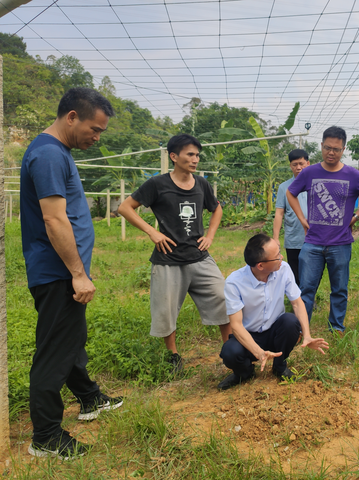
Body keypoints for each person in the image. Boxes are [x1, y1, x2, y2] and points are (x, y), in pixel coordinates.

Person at [20, 88, 123, 460]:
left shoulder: (56, 151)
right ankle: (46, 436)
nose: (97, 137)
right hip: (58, 271)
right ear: (71, 117)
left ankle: (89, 397)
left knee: (69, 340)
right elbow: (53, 218)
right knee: (55, 351)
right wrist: (78, 273)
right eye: (95, 129)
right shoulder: (48, 154)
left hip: (61, 271)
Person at [118, 134, 230, 374]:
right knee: (165, 310)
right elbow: (125, 207)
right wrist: (152, 232)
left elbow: (216, 207)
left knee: (223, 298)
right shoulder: (157, 184)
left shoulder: (202, 184)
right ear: (173, 156)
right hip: (168, 260)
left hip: (199, 257)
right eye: (190, 154)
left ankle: (230, 350)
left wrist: (210, 235)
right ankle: (173, 356)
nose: (195, 159)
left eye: (197, 155)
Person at [218, 234, 329, 390]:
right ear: (260, 266)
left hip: (275, 332)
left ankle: (279, 366)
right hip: (249, 335)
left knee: (290, 322)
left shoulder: (284, 269)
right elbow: (236, 326)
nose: (281, 258)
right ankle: (244, 373)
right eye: (277, 256)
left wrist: (307, 335)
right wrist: (259, 352)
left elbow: (297, 303)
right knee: (230, 352)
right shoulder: (234, 282)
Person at [286, 126, 359, 333]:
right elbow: (290, 193)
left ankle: (336, 327)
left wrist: (356, 216)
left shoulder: (353, 175)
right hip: (312, 243)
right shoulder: (309, 172)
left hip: (341, 244)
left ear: (343, 149)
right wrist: (302, 219)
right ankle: (302, 329)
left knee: (339, 289)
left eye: (337, 149)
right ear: (321, 146)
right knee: (306, 289)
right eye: (328, 148)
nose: (331, 152)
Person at [273, 148, 310, 286]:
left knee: (311, 271)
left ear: (308, 163)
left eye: (301, 163)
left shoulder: (315, 184)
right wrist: (275, 238)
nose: (298, 167)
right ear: (290, 166)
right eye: (295, 164)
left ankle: (309, 298)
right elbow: (279, 213)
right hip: (293, 238)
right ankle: (296, 300)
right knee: (295, 271)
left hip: (312, 238)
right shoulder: (284, 187)